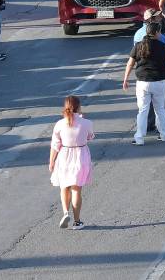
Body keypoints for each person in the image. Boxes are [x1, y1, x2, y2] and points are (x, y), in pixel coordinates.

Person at [122, 21, 165, 144]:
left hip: (142, 82)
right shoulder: (163, 46)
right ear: (157, 32)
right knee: (160, 109)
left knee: (143, 110)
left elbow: (130, 63)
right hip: (159, 81)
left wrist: (125, 79)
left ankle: (139, 138)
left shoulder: (138, 46)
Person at [49, 95, 94, 230]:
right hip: (81, 156)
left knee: (64, 187)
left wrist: (51, 162)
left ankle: (65, 212)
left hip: (64, 156)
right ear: (78, 107)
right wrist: (82, 120)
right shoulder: (86, 123)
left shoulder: (60, 124)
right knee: (76, 190)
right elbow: (90, 136)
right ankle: (77, 222)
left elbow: (55, 145)